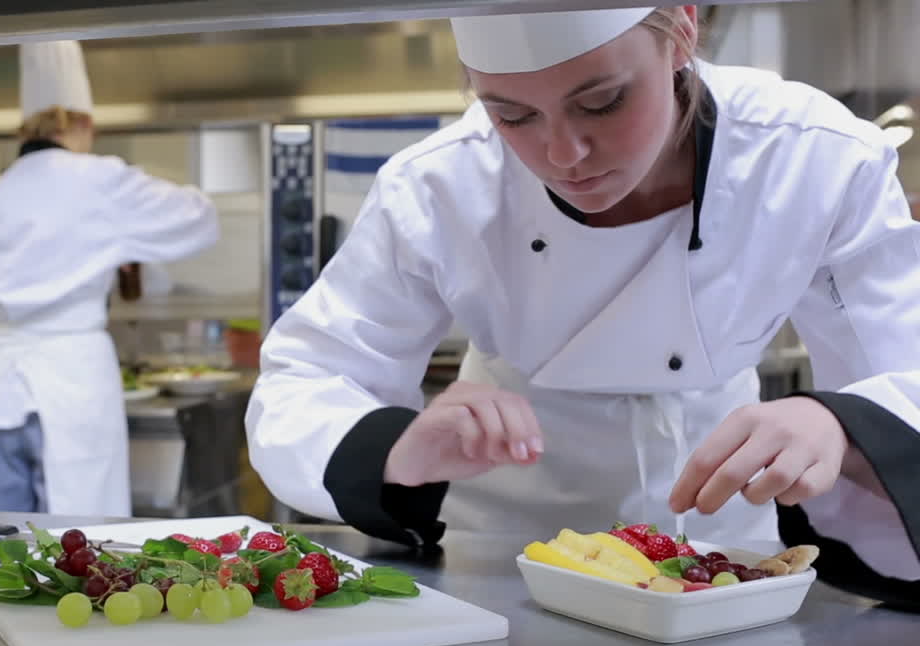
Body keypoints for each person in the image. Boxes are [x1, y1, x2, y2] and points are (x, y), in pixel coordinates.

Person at [245, 6, 920, 608]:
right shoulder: (436, 185)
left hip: (727, 561)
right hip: (501, 565)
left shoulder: (813, 156)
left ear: (682, 30)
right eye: (511, 115)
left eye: (603, 103)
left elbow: (905, 372)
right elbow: (300, 383)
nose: (563, 154)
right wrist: (396, 448)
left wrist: (838, 424)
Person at [0, 40, 219, 516]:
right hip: (70, 383)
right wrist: (131, 236)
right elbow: (199, 219)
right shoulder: (98, 178)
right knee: (78, 549)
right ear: (84, 122)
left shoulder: (1, 191)